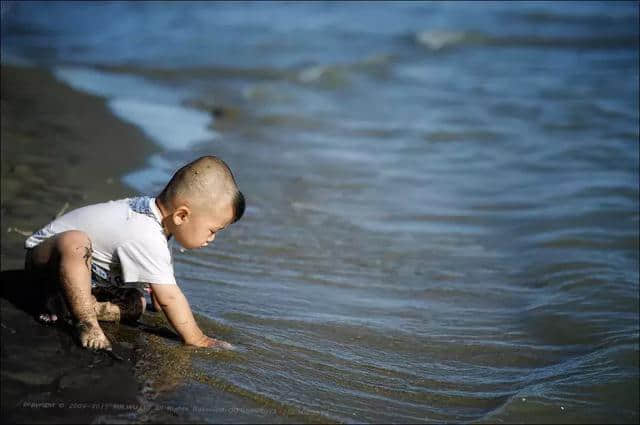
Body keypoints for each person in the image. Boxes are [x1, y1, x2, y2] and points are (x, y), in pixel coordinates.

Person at [23, 155, 245, 351]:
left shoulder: (159, 224)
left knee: (136, 303)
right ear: (182, 216)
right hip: (46, 261)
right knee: (75, 243)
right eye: (213, 230)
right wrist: (198, 338)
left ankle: (70, 304)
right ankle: (86, 322)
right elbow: (169, 298)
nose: (212, 238)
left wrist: (155, 302)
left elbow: (160, 291)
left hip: (88, 279)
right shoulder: (146, 233)